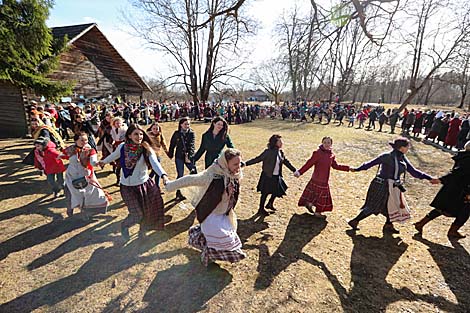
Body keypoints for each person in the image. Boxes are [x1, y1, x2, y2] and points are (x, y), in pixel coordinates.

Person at [165, 148, 246, 266]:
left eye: (240, 163)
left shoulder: (235, 175)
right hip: (210, 214)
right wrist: (170, 185)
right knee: (225, 239)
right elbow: (190, 180)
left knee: (224, 238)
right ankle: (206, 252)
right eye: (235, 164)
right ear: (225, 163)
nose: (238, 167)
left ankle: (207, 252)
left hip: (225, 214)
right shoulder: (212, 175)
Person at [348, 137, 438, 233]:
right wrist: (357, 169)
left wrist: (429, 178)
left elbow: (414, 172)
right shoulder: (386, 156)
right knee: (374, 205)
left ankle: (388, 225)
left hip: (394, 186)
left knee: (392, 206)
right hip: (381, 185)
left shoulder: (402, 157)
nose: (408, 148)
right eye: (407, 146)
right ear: (401, 148)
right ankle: (355, 221)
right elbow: (369, 164)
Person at [99, 124, 169, 241]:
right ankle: (124, 226)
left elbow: (155, 163)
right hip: (127, 187)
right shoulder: (122, 147)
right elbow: (113, 156)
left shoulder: (146, 148)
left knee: (146, 211)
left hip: (143, 185)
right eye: (136, 134)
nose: (139, 136)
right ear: (129, 135)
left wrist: (164, 175)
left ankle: (142, 232)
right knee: (136, 214)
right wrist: (103, 162)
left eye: (141, 134)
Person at [414, 141, 470, 239]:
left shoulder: (465, 156)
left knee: (443, 208)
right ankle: (453, 231)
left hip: (455, 188)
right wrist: (441, 179)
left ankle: (421, 223)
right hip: (461, 190)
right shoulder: (468, 159)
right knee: (464, 211)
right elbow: (456, 173)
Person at [294, 137, 350, 218]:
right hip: (316, 179)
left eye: (328, 143)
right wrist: (299, 172)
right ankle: (317, 212)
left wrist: (348, 168)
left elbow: (335, 166)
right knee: (319, 196)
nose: (326, 144)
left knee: (318, 196)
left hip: (324, 180)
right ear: (322, 143)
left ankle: (310, 204)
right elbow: (309, 163)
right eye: (325, 142)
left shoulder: (331, 155)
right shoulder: (317, 153)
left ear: (331, 144)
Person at [244, 134, 297, 215]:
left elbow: (286, 162)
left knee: (277, 190)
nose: (282, 142)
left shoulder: (280, 152)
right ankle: (261, 209)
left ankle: (270, 204)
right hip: (268, 175)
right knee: (265, 193)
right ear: (275, 142)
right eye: (280, 141)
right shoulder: (268, 152)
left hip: (276, 176)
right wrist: (245, 164)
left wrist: (294, 170)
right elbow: (258, 159)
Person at [60, 132, 109, 217]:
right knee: (71, 193)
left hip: (86, 175)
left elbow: (93, 162)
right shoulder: (71, 149)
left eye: (86, 140)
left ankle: (86, 211)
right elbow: (63, 155)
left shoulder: (90, 150)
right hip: (71, 175)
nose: (84, 142)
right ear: (75, 141)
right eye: (82, 140)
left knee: (91, 194)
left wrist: (98, 163)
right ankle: (70, 209)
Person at [168, 117, 196, 199]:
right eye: (186, 124)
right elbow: (172, 144)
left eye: (188, 124)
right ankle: (179, 193)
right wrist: (170, 154)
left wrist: (189, 156)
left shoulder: (191, 133)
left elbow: (192, 145)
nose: (187, 126)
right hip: (179, 156)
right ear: (181, 125)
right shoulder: (177, 133)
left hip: (188, 157)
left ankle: (192, 190)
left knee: (194, 172)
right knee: (180, 175)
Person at [147, 122, 169, 187]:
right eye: (154, 129)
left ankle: (157, 186)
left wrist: (168, 153)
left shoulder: (160, 135)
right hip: (151, 155)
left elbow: (163, 144)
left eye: (157, 129)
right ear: (151, 129)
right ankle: (148, 182)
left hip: (158, 155)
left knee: (157, 172)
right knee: (154, 171)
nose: (155, 130)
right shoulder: (148, 135)